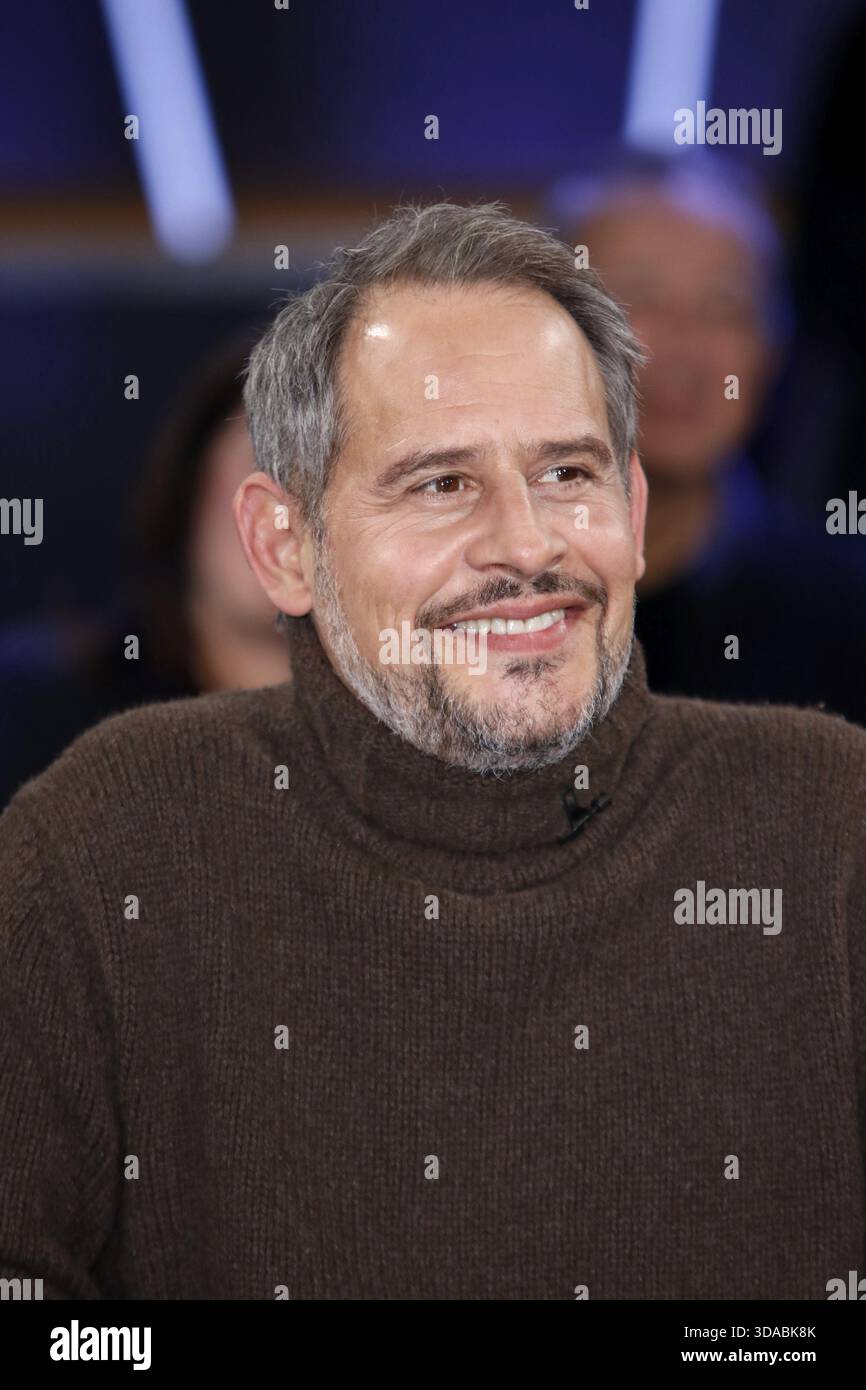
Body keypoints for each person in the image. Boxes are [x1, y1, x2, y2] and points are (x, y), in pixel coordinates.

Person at [0, 201, 863, 1301]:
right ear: (284, 546)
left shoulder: (827, 825)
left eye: (567, 474)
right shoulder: (108, 838)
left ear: (634, 510)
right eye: (441, 483)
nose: (526, 543)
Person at [551, 153, 866, 722]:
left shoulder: (846, 616)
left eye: (724, 307)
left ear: (771, 354)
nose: (684, 347)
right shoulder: (458, 596)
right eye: (637, 299)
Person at [0, 344, 290, 808]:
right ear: (188, 489)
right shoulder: (34, 717)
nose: (287, 517)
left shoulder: (395, 759)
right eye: (267, 468)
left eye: (320, 478)